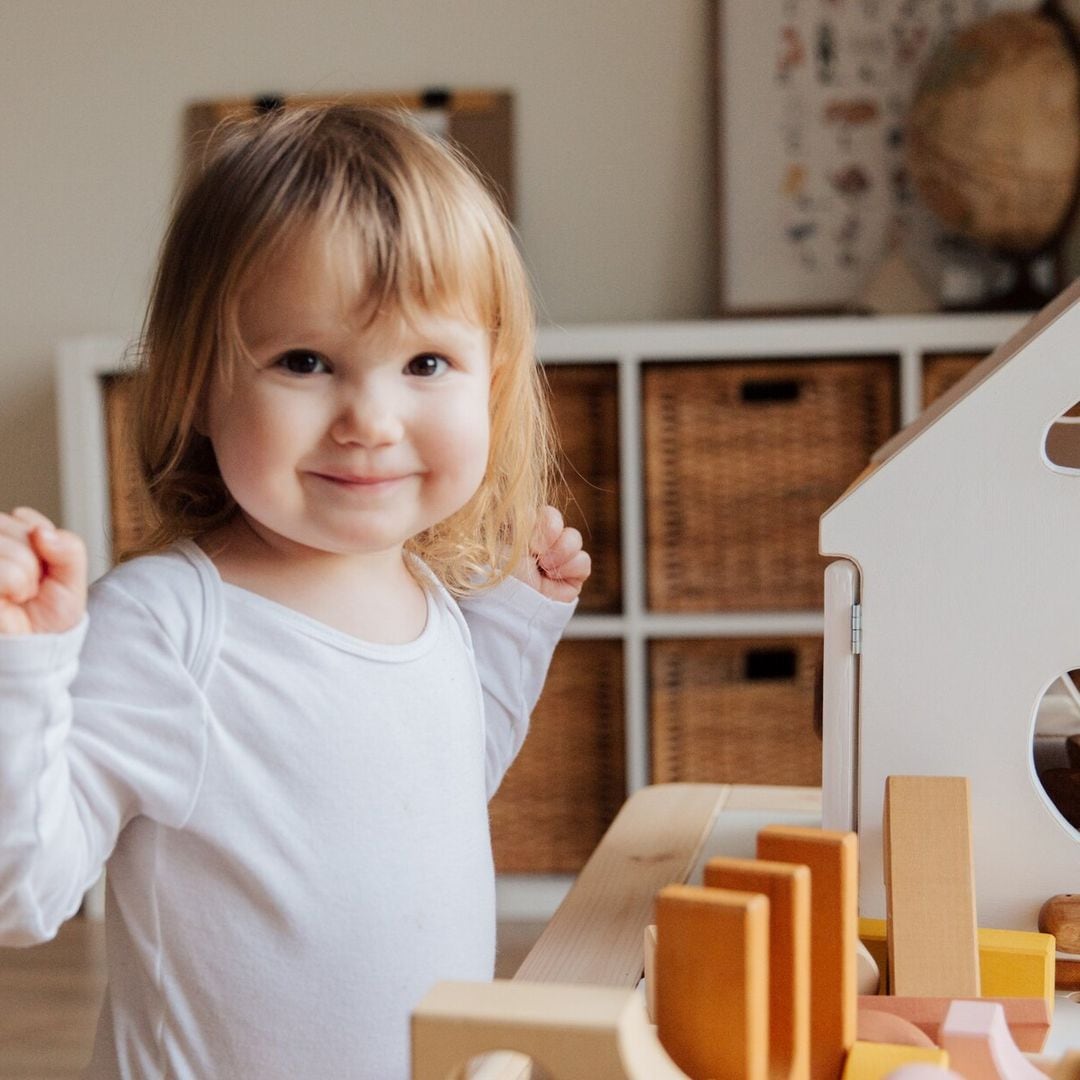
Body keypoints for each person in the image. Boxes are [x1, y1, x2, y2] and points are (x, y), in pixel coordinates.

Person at [0, 105, 590, 1079]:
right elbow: (23, 895)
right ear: (197, 383)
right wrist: (22, 675)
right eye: (305, 362)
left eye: (426, 363)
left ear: (489, 384)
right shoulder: (169, 628)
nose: (370, 417)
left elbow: (437, 790)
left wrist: (511, 628)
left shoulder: (427, 598)